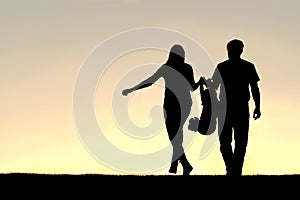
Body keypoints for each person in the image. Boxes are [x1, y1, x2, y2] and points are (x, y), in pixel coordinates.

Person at [122, 44, 200, 175]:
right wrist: (200, 82)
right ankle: (175, 166)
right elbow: (193, 87)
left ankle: (184, 165)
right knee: (176, 135)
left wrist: (132, 89)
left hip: (172, 104)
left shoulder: (167, 68)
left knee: (174, 135)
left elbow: (150, 81)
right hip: (183, 103)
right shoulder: (185, 68)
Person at [208, 39, 261, 176]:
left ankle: (232, 169)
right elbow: (254, 88)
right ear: (241, 50)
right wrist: (257, 106)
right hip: (239, 108)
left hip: (227, 108)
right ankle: (234, 169)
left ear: (228, 50)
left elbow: (214, 87)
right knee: (239, 141)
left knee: (227, 141)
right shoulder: (248, 66)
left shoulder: (222, 67)